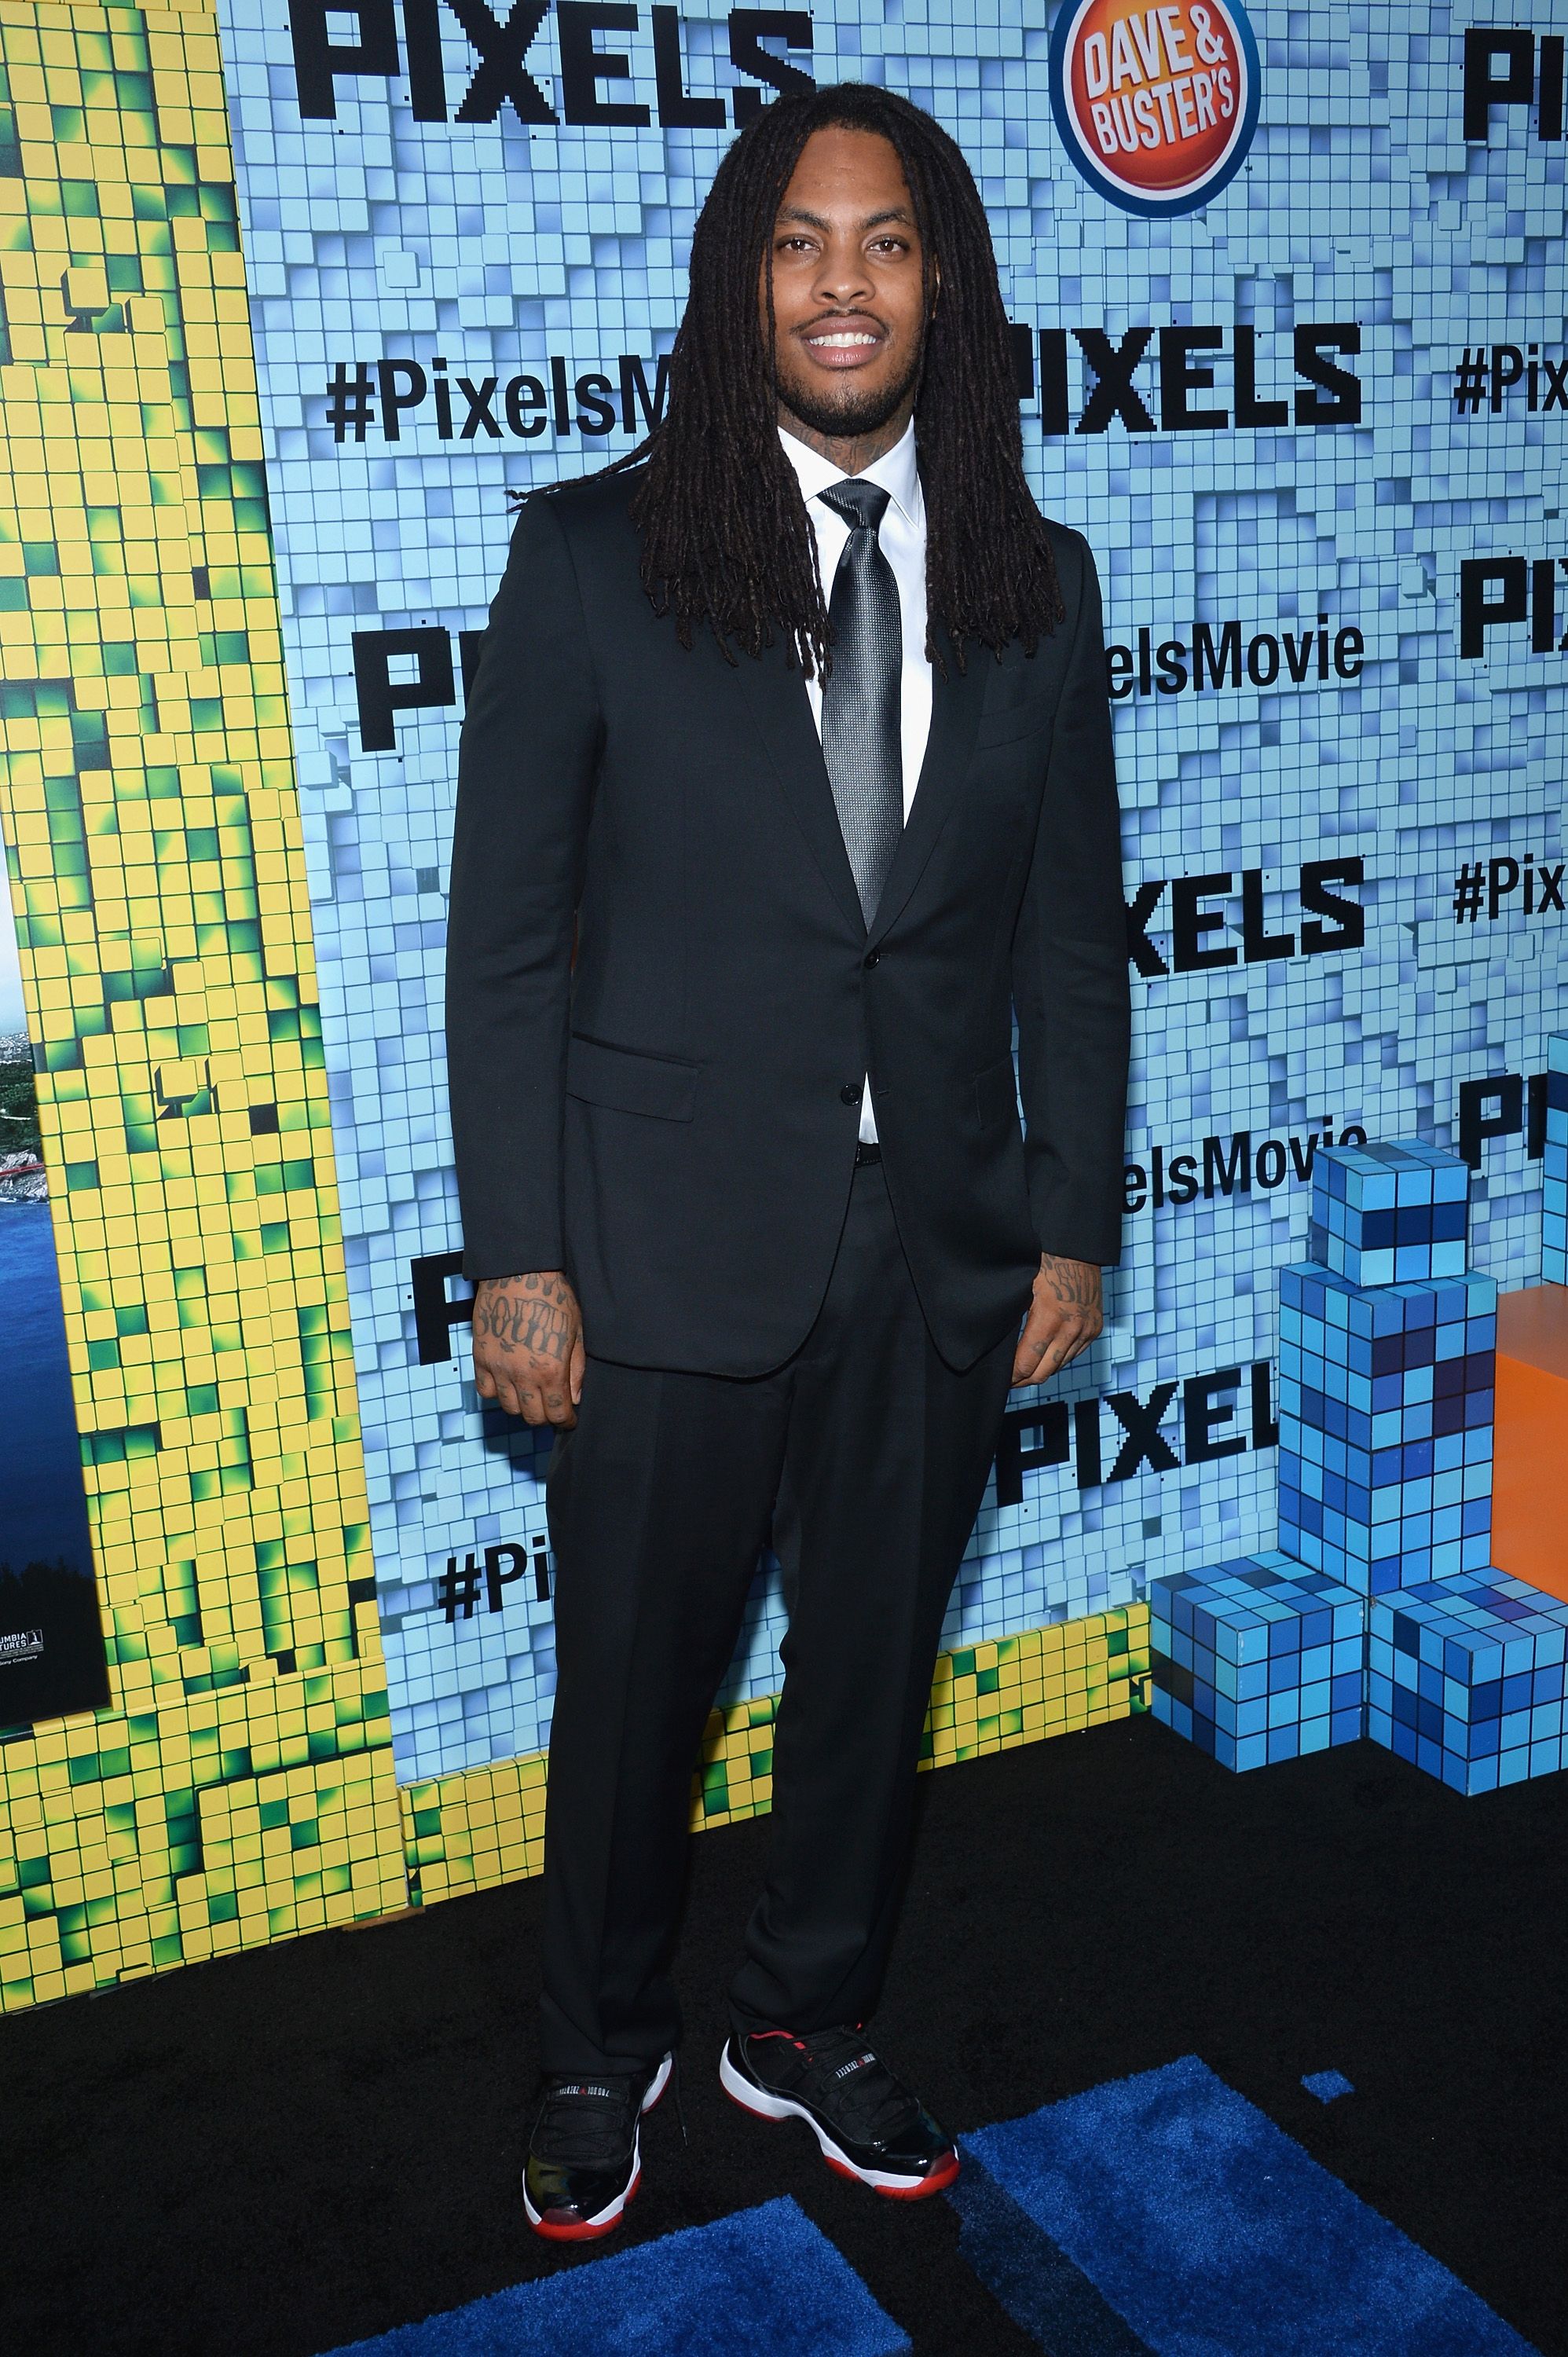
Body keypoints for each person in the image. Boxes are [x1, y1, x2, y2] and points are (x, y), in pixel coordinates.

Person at [445, 80, 1130, 2242]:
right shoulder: (594, 557)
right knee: (630, 1696)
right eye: (800, 242)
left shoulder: (1032, 582)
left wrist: (1071, 1216)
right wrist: (520, 1256)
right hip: (656, 1246)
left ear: (946, 285)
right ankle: (595, 2044)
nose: (845, 284)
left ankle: (803, 2016)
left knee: (866, 1680)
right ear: (742, 279)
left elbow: (1065, 940)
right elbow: (505, 948)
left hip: (932, 1244)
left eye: (888, 242)